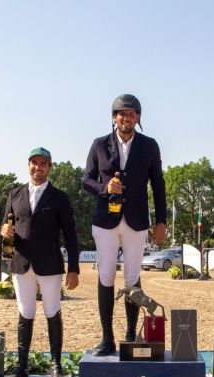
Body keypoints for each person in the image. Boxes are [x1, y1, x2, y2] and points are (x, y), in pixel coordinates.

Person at [81, 94, 167, 356]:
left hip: (137, 220)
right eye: (121, 113)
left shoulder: (150, 145)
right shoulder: (99, 144)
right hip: (106, 221)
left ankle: (130, 334)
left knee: (132, 277)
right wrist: (104, 188)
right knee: (106, 275)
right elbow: (86, 179)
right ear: (113, 117)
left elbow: (158, 184)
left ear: (138, 118)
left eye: (131, 113)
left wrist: (161, 220)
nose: (126, 117)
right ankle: (107, 337)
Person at [0, 147, 80, 377]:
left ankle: (56, 366)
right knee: (25, 313)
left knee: (52, 311)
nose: (38, 167)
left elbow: (71, 235)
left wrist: (73, 267)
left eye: (43, 163)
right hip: (21, 262)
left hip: (50, 264)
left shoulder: (60, 197)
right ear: (28, 165)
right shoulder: (15, 194)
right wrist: (4, 231)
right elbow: (5, 226)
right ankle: (21, 366)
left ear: (50, 168)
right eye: (34, 163)